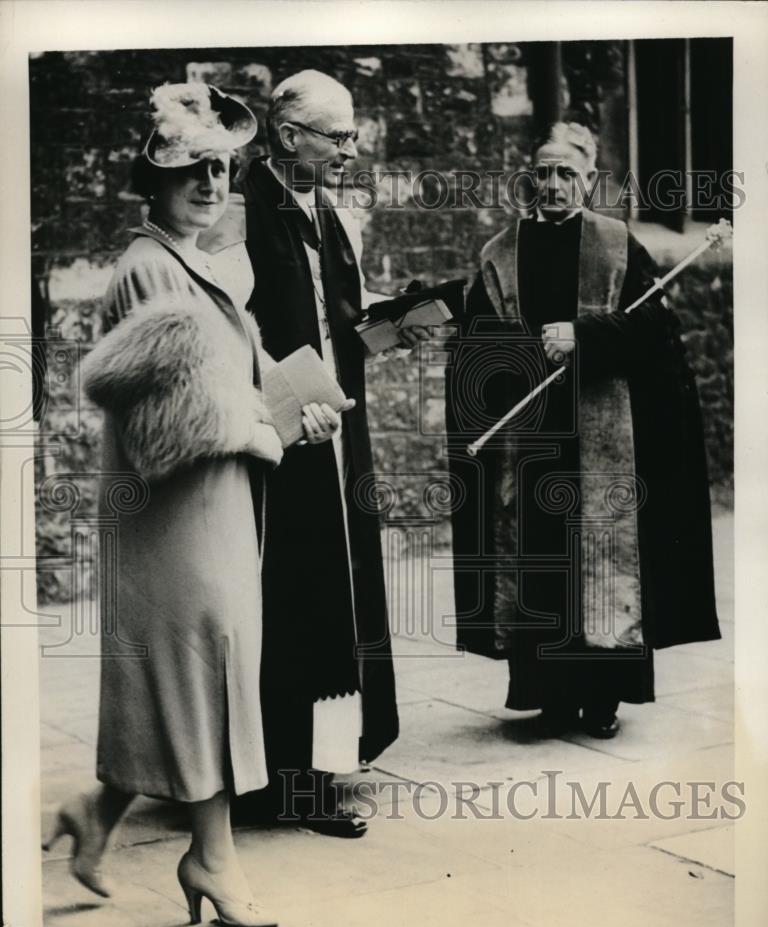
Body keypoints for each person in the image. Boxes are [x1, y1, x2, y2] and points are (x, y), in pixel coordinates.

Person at [43, 83, 283, 927]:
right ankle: (211, 858)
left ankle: (94, 813)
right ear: (154, 179)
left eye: (220, 168)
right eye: (191, 169)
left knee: (192, 664)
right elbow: (166, 423)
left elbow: (231, 380)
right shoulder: (149, 265)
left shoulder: (198, 262)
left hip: (207, 499)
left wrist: (289, 404)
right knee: (205, 657)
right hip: (174, 504)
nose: (211, 183)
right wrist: (257, 430)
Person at [445, 121, 720, 739]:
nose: (552, 183)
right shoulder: (500, 252)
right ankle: (549, 697)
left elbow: (656, 332)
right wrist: (508, 353)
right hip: (532, 439)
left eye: (566, 172)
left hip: (604, 434)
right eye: (543, 171)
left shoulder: (619, 245)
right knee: (541, 563)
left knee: (598, 561)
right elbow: (476, 344)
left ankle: (603, 700)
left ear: (590, 179)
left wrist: (584, 335)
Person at [227, 70, 429, 836]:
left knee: (344, 596)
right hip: (281, 442)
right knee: (296, 598)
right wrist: (281, 405)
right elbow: (229, 330)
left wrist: (393, 321)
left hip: (339, 436)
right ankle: (285, 779)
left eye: (351, 135)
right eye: (338, 136)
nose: (352, 149)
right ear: (287, 137)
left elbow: (339, 317)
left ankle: (337, 757)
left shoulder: (324, 210)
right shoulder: (245, 212)